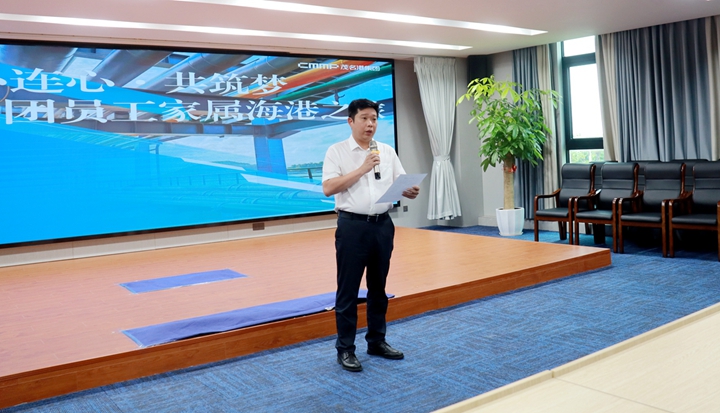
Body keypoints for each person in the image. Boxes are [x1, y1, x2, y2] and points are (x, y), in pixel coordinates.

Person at [321, 98, 420, 372]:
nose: (370, 124)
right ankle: (345, 349)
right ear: (350, 121)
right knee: (348, 290)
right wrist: (362, 169)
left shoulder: (386, 151)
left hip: (382, 225)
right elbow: (328, 188)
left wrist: (409, 191)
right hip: (352, 226)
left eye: (374, 119)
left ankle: (376, 341)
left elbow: (401, 182)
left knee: (378, 288)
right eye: (364, 118)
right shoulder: (337, 151)